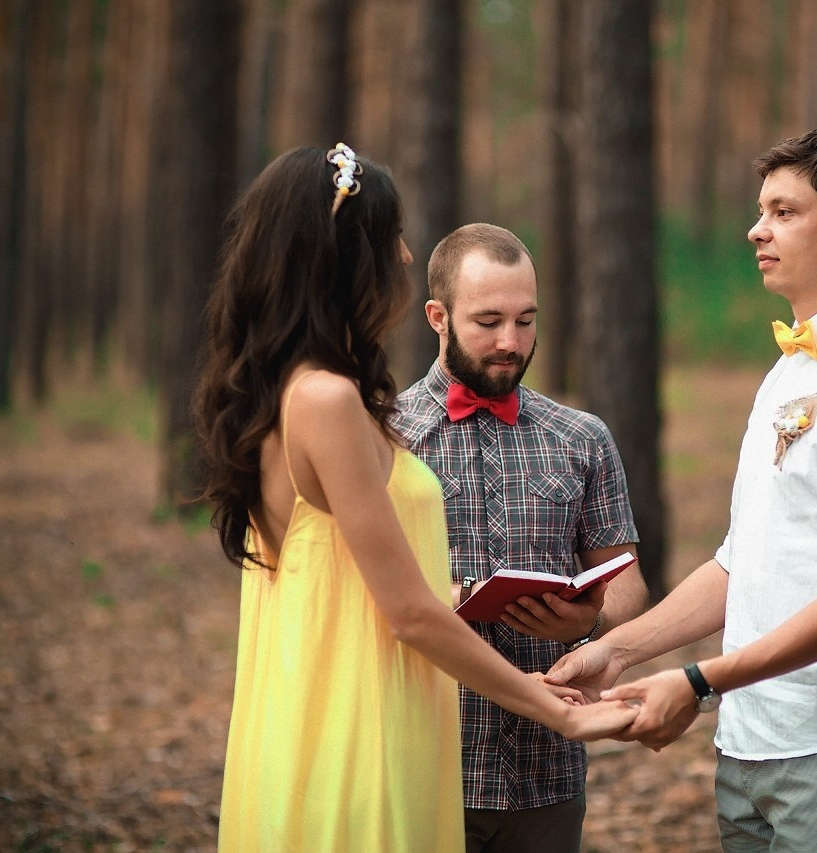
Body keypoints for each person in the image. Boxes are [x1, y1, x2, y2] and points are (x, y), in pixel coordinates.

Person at [192, 146, 638, 852]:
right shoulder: (328, 400)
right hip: (357, 736)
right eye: (390, 236)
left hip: (338, 725)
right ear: (346, 258)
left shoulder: (296, 393)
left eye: (526, 319)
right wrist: (561, 712)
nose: (403, 254)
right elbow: (407, 612)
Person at [547, 127, 817, 851]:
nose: (754, 229)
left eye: (784, 211)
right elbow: (745, 561)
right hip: (750, 747)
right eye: (761, 210)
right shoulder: (789, 369)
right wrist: (621, 652)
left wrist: (699, 680)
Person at [392, 222, 648, 852]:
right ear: (437, 317)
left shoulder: (582, 438)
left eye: (526, 320)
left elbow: (628, 589)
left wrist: (582, 623)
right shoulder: (384, 438)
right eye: (488, 322)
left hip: (549, 775)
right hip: (421, 764)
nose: (511, 342)